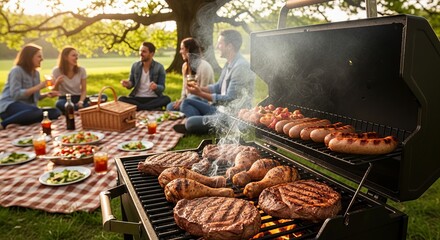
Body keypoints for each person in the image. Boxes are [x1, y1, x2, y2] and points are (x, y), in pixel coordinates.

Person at [175, 30, 255, 134]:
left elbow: (230, 99)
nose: (217, 47)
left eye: (220, 43)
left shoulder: (240, 67)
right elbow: (218, 87)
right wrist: (199, 89)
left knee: (190, 122)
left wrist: (200, 93)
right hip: (219, 109)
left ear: (229, 46)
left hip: (231, 116)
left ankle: (204, 124)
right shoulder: (229, 63)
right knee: (188, 100)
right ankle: (204, 122)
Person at [0, 43, 61, 129]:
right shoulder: (16, 70)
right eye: (39, 56)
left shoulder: (36, 73)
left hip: (28, 109)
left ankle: (18, 122)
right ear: (29, 57)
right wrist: (40, 86)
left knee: (55, 112)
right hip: (10, 106)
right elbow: (16, 95)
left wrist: (47, 95)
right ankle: (3, 124)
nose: (42, 59)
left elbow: (36, 96)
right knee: (36, 111)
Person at [119, 42, 171, 110]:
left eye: (144, 51)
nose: (141, 53)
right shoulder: (135, 66)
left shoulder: (159, 67)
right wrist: (128, 84)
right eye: (140, 51)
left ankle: (140, 107)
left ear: (152, 54)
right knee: (120, 99)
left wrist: (156, 87)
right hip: (137, 98)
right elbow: (131, 83)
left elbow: (162, 87)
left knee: (166, 99)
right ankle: (147, 107)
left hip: (153, 98)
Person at [166, 37, 214, 111]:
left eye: (182, 48)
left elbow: (203, 92)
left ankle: (188, 111)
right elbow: (184, 89)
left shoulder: (204, 66)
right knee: (170, 106)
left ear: (188, 50)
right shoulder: (185, 66)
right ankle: (187, 109)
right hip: (188, 99)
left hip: (203, 100)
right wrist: (181, 100)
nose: (180, 51)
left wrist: (185, 101)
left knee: (187, 102)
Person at [52, 47, 98, 113]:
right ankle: (82, 109)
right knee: (59, 104)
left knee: (102, 97)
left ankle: (74, 109)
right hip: (65, 98)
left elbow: (84, 90)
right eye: (73, 55)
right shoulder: (56, 71)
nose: (76, 58)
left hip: (79, 97)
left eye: (77, 55)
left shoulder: (81, 70)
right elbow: (54, 92)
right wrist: (57, 83)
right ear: (65, 57)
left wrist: (81, 101)